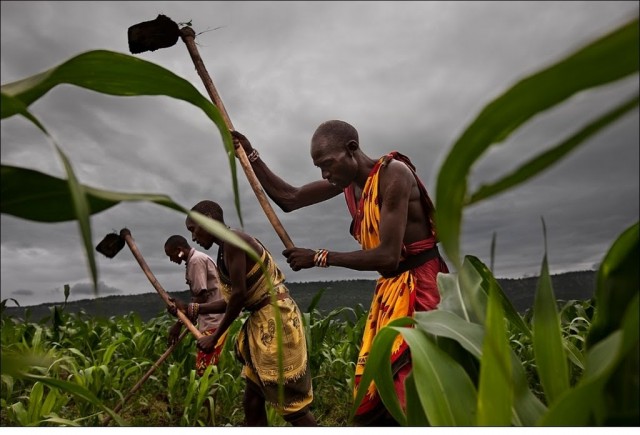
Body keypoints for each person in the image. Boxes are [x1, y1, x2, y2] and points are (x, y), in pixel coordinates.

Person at [231, 120, 449, 426]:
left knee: (410, 386)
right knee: (379, 388)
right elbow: (289, 199)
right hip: (390, 290)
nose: (324, 174)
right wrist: (251, 155)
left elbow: (387, 256)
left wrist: (319, 257)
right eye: (319, 167)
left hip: (421, 288)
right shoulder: (349, 185)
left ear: (351, 150)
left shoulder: (393, 174)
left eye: (327, 164)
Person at [177, 200, 317, 427]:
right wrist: (193, 309)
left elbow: (239, 296)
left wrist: (215, 336)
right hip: (263, 322)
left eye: (194, 229)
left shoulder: (234, 242)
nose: (193, 237)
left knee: (291, 406)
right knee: (252, 399)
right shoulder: (225, 249)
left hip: (276, 322)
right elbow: (232, 299)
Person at [164, 235, 227, 376]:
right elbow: (198, 298)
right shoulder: (196, 259)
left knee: (206, 374)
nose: (171, 259)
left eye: (171, 255)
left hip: (214, 322)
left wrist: (179, 324)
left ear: (179, 250)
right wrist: (182, 308)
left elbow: (201, 297)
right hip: (212, 321)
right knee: (208, 373)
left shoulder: (195, 261)